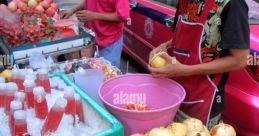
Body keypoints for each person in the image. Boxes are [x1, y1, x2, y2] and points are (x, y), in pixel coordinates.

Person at [149, 0, 250, 129]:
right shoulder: (186, 2)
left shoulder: (233, 4)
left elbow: (240, 60)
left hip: (204, 102)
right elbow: (181, 35)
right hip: (174, 96)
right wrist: (165, 46)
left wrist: (184, 70)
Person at [60, 0, 130, 67]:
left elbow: (123, 16)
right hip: (92, 40)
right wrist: (73, 9)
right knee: (90, 72)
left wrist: (94, 16)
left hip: (109, 42)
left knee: (107, 74)